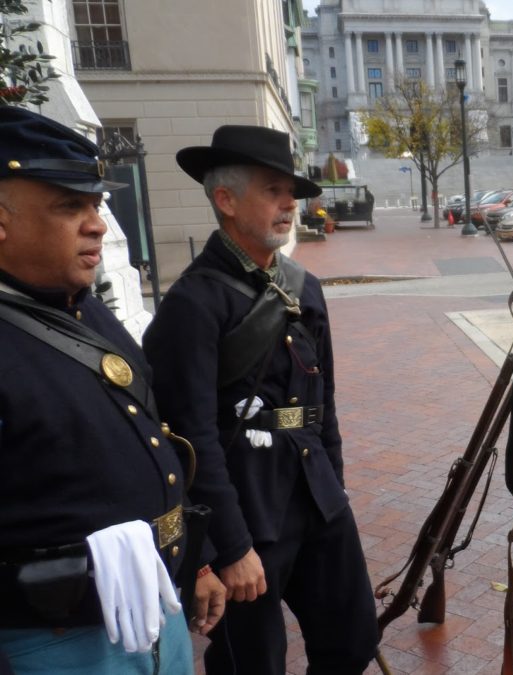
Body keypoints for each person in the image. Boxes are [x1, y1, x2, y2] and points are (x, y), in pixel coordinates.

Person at [142, 125, 379, 674]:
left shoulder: (304, 287)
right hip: (246, 511)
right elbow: (190, 435)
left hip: (315, 496)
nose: (289, 203)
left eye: (290, 192)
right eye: (273, 190)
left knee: (352, 640)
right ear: (225, 200)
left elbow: (325, 405)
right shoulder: (194, 304)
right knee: (253, 664)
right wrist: (227, 545)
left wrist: (335, 489)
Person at [0, 107, 224, 673]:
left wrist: (195, 562)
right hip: (51, 640)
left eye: (95, 204)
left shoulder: (83, 308)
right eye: (69, 206)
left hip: (151, 604)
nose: (97, 223)